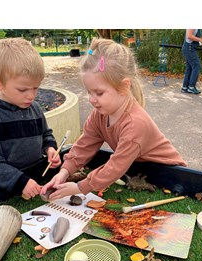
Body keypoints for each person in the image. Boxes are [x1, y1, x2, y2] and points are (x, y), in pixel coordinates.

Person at [41, 37, 187, 201]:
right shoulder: (100, 114)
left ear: (124, 87)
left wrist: (79, 187)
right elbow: (84, 145)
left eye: (99, 93)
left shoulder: (135, 124)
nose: (91, 99)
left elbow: (115, 166)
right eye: (89, 92)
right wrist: (64, 172)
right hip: (137, 169)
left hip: (171, 176)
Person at [0, 37, 61, 199]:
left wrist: (50, 148)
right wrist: (20, 182)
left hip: (37, 178)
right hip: (4, 190)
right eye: (22, 89)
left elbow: (45, 134)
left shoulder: (34, 108)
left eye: (36, 88)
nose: (31, 95)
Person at [181, 29, 202, 94]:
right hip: (189, 48)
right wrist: (200, 40)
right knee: (197, 66)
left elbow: (193, 33)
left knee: (190, 68)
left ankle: (185, 87)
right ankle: (191, 87)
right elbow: (189, 36)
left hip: (189, 48)